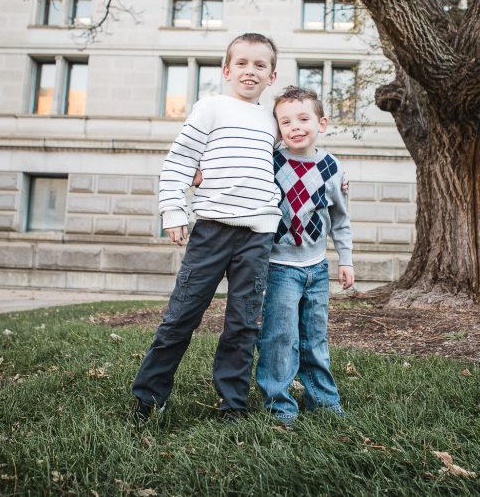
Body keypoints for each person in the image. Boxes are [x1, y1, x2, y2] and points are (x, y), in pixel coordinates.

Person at [131, 32, 281, 423]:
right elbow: (180, 160)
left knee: (243, 322)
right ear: (227, 70)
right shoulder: (211, 107)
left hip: (259, 234)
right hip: (212, 229)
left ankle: (232, 404)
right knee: (181, 315)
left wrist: (335, 175)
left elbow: (291, 160)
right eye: (243, 64)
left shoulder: (273, 121)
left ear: (272, 75)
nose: (251, 71)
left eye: (260, 65)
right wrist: (173, 211)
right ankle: (148, 398)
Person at [256, 86, 355, 427]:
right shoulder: (269, 161)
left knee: (315, 338)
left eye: (303, 118)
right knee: (279, 338)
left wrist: (346, 259)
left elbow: (340, 220)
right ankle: (280, 406)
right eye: (286, 122)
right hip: (279, 267)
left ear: (321, 123)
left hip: (316, 267)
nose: (295, 126)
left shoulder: (332, 168)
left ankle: (324, 402)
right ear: (277, 128)